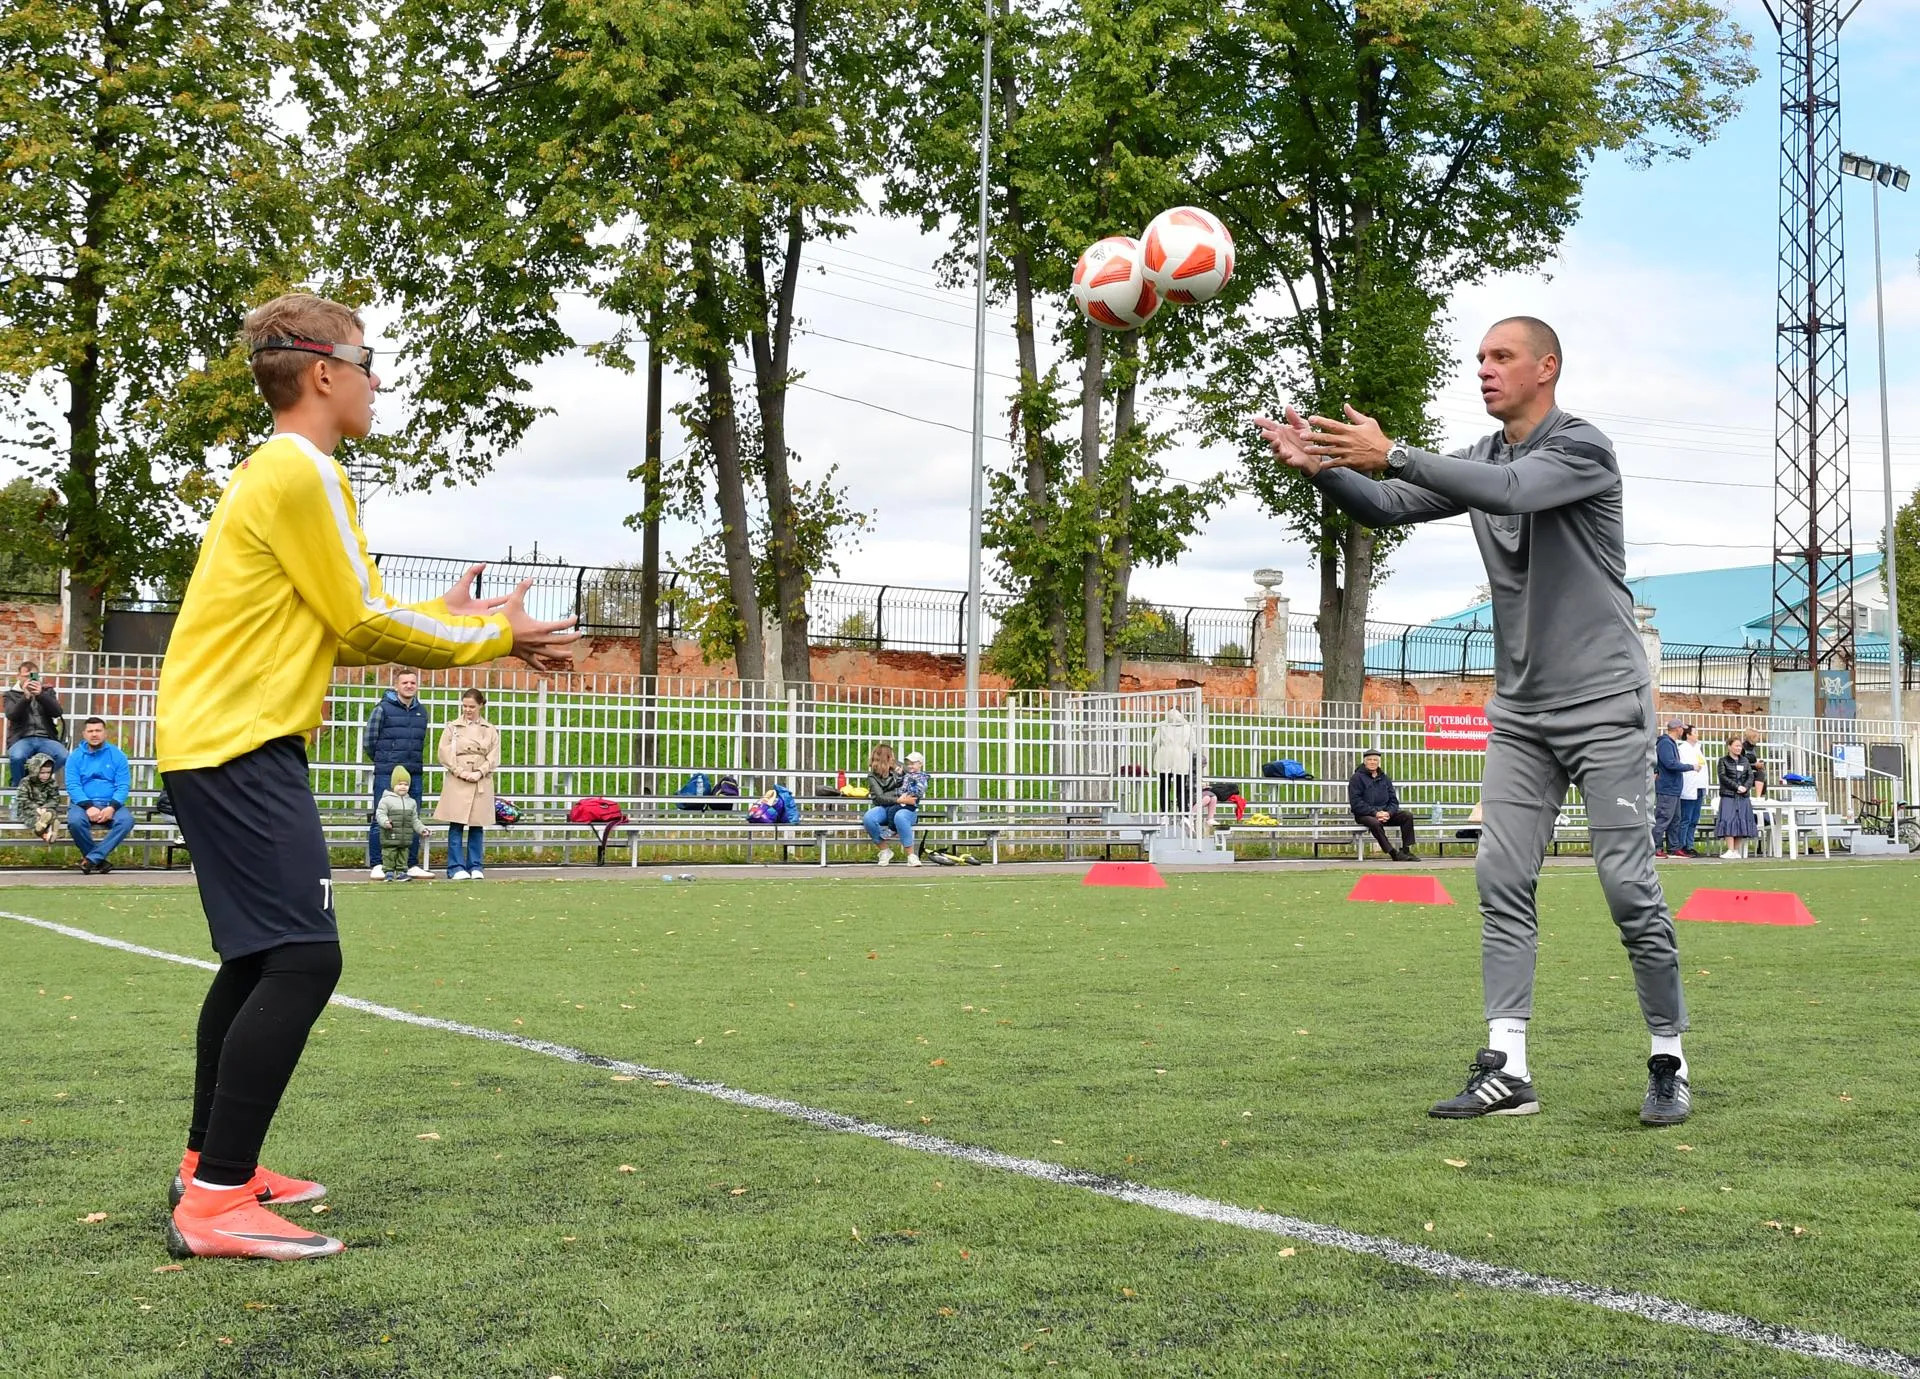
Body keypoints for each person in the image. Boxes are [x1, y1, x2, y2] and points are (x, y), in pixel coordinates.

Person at [154, 291, 576, 1261]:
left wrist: (448, 617)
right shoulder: (304, 472)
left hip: (214, 735)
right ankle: (216, 1200)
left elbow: (328, 623)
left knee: (259, 957)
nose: (378, 378)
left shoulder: (280, 475)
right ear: (323, 371)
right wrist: (497, 635)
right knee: (304, 957)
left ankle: (210, 1166)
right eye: (368, 357)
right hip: (239, 741)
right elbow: (358, 623)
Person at [1257, 315, 1691, 1126]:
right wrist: (1320, 468)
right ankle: (1508, 1067)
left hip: (1604, 702)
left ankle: (1669, 1055)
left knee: (1628, 886)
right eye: (1480, 358)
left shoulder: (1583, 448)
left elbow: (1512, 492)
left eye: (1502, 357)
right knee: (1500, 879)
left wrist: (1399, 451)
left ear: (1546, 368)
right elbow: (1387, 503)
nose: (1485, 369)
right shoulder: (1483, 456)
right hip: (1523, 710)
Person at [365, 668, 430, 879]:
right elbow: (369, 742)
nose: (409, 686)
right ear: (396, 686)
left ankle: (409, 864)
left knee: (411, 817)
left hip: (414, 773)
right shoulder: (382, 709)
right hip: (387, 772)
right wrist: (385, 760)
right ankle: (378, 864)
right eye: (405, 683)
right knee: (381, 817)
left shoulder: (422, 711)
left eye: (413, 682)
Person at [434, 687, 500, 880]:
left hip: (481, 779)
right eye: (464, 706)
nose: (467, 710)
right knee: (456, 823)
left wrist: (480, 771)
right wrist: (459, 771)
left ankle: (475, 865)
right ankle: (455, 866)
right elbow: (444, 753)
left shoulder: (490, 729)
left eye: (471, 706)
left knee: (477, 824)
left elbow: (494, 755)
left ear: (480, 705)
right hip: (458, 778)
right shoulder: (452, 727)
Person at [65, 717, 134, 874]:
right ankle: (98, 860)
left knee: (126, 821)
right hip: (82, 804)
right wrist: (88, 807)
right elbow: (73, 785)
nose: (94, 734)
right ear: (84, 734)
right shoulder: (74, 757)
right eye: (90, 731)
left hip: (111, 803)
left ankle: (91, 859)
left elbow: (123, 785)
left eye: (98, 730)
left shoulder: (118, 756)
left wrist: (112, 807)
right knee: (75, 821)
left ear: (105, 733)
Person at [1348, 748, 1418, 861]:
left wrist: (1388, 813)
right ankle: (1392, 853)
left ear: (1378, 762)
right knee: (1374, 823)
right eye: (1369, 759)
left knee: (1407, 815)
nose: (1372, 762)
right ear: (1365, 762)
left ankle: (1406, 849)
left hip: (1385, 813)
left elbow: (1394, 801)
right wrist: (1375, 813)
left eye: (1375, 760)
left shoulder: (1385, 778)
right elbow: (1356, 803)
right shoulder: (1356, 778)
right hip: (1365, 814)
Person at [5, 661, 67, 786]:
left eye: (33, 676)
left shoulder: (47, 692)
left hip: (46, 738)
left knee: (63, 756)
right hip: (21, 739)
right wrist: (25, 698)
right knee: (17, 757)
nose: (29, 679)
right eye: (26, 676)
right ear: (18, 676)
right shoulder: (11, 694)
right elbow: (11, 715)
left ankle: (32, 780)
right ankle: (17, 788)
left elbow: (57, 712)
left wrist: (41, 695)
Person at [862, 742, 921, 866]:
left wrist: (897, 769)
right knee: (869, 818)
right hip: (886, 806)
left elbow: (914, 775)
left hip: (906, 808)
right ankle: (885, 850)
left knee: (900, 817)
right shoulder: (872, 776)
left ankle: (911, 855)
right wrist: (898, 800)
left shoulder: (900, 768)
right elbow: (879, 798)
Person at [377, 765, 429, 880]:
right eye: (400, 784)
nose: (403, 787)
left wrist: (422, 829)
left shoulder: (411, 802)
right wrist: (385, 822)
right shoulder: (386, 800)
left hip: (405, 837)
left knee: (403, 854)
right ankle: (389, 872)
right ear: (393, 784)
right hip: (390, 835)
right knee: (389, 853)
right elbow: (380, 814)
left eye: (406, 784)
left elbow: (415, 820)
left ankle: (401, 872)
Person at [1715, 734, 1759, 861]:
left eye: (1740, 746)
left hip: (1743, 796)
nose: (1739, 748)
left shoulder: (1745, 761)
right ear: (1729, 747)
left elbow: (1750, 776)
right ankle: (1730, 849)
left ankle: (1736, 850)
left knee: (1741, 820)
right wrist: (1736, 787)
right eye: (1736, 746)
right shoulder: (1723, 761)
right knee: (1728, 819)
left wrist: (1745, 787)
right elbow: (1723, 777)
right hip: (1729, 795)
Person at [1653, 718, 1689, 859]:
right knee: (1663, 818)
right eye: (1682, 728)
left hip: (1673, 788)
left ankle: (1673, 847)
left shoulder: (1670, 743)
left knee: (1675, 819)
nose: (1683, 731)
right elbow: (1670, 763)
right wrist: (1689, 767)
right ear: (1677, 729)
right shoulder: (1666, 744)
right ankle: (1655, 847)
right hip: (1667, 787)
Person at [1152, 707, 1195, 815]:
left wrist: (1155, 753)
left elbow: (1155, 742)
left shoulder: (1162, 725)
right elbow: (1193, 746)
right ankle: (1183, 811)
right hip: (1181, 757)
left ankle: (1164, 812)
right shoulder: (1187, 726)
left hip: (1164, 756)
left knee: (1164, 786)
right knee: (1181, 786)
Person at [13, 749, 63, 842]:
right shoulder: (26, 782)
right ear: (34, 770)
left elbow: (55, 798)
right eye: (42, 773)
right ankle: (48, 831)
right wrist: (36, 808)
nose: (45, 776)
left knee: (52, 813)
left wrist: (45, 807)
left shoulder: (52, 783)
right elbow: (22, 798)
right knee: (33, 817)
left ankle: (46, 830)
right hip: (28, 809)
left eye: (48, 773)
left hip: (46, 809)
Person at [1676, 726, 1708, 859]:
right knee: (1686, 818)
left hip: (1699, 786)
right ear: (1688, 735)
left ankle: (1690, 844)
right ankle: (1681, 845)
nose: (1697, 734)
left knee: (1694, 819)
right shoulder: (1683, 749)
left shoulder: (1697, 749)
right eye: (1694, 732)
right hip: (1689, 787)